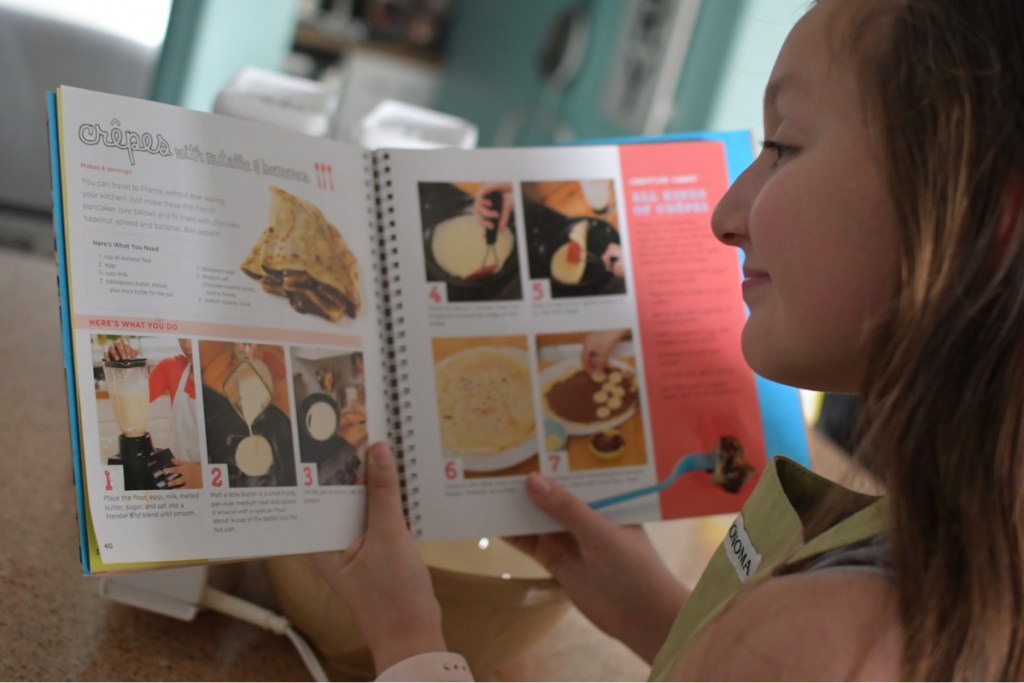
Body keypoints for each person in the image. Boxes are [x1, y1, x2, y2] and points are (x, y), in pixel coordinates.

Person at [312, 0, 1024, 679]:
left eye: (784, 146)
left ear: (981, 215)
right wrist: (659, 615)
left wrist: (405, 629)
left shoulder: (841, 641)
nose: (725, 214)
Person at [105, 338, 202, 488]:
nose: (188, 343)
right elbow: (133, 401)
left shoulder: (233, 376)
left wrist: (201, 473)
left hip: (215, 483)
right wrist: (120, 364)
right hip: (177, 479)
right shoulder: (172, 367)